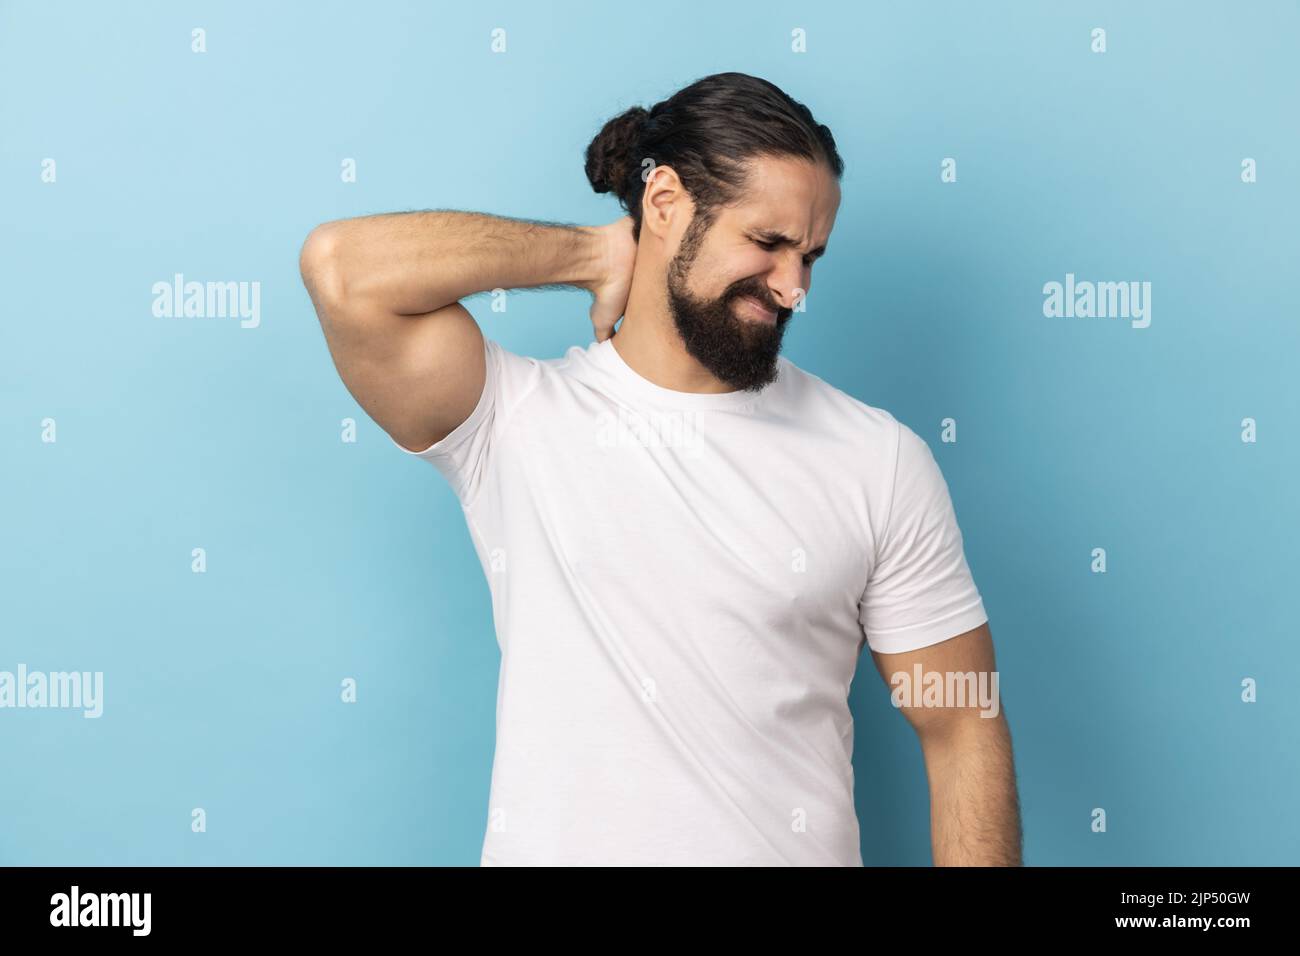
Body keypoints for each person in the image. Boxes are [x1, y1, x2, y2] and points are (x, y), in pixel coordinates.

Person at [299, 71, 1022, 866]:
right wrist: (587, 252)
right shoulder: (513, 419)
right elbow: (342, 270)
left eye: (811, 256)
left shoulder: (877, 459)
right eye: (768, 243)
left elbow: (962, 725)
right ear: (667, 202)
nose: (794, 287)